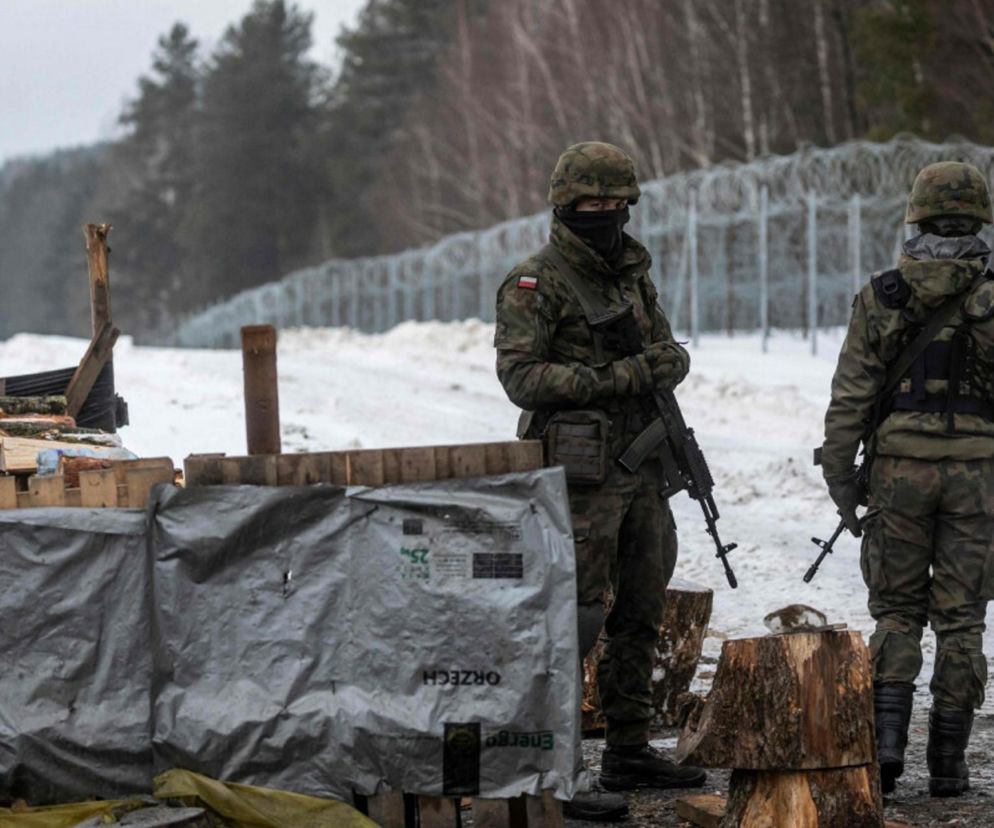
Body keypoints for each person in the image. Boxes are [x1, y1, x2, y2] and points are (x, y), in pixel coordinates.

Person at [494, 141, 705, 821]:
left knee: (641, 610)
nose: (608, 214)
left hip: (641, 466)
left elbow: (666, 349)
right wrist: (614, 379)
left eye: (618, 203)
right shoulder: (537, 281)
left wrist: (663, 364)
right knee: (573, 619)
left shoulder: (631, 275)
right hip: (580, 475)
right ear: (566, 204)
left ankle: (628, 746)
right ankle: (558, 766)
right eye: (594, 204)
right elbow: (521, 377)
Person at [822, 160, 994, 798]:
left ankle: (886, 747)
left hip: (898, 475)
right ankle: (948, 766)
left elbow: (850, 400)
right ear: (980, 222)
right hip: (978, 477)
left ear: (914, 218)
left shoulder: (883, 295)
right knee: (962, 619)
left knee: (896, 611)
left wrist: (843, 482)